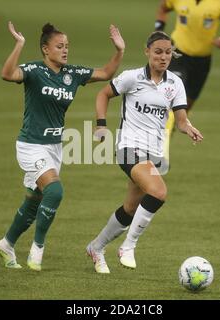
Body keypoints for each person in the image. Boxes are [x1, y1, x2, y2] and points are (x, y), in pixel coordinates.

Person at [0, 21, 125, 271]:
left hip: (54, 148)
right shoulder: (33, 70)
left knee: (34, 202)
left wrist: (119, 51)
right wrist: (19, 45)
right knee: (55, 191)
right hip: (31, 146)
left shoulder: (72, 74)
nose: (65, 50)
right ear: (45, 49)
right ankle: (37, 249)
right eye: (60, 46)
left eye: (67, 46)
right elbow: (7, 74)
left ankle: (7, 244)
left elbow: (106, 73)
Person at [86, 31, 203, 273]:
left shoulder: (175, 84)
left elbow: (181, 120)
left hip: (153, 153)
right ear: (147, 52)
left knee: (130, 208)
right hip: (128, 148)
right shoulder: (132, 78)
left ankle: (96, 248)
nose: (163, 57)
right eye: (158, 51)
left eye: (168, 52)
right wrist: (100, 125)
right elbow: (103, 94)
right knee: (158, 192)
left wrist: (188, 128)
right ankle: (128, 246)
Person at [154, 0, 220, 166]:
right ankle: (159, 152)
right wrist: (159, 30)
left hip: (202, 62)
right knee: (171, 103)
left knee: (183, 111)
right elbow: (163, 8)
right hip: (177, 55)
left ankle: (162, 143)